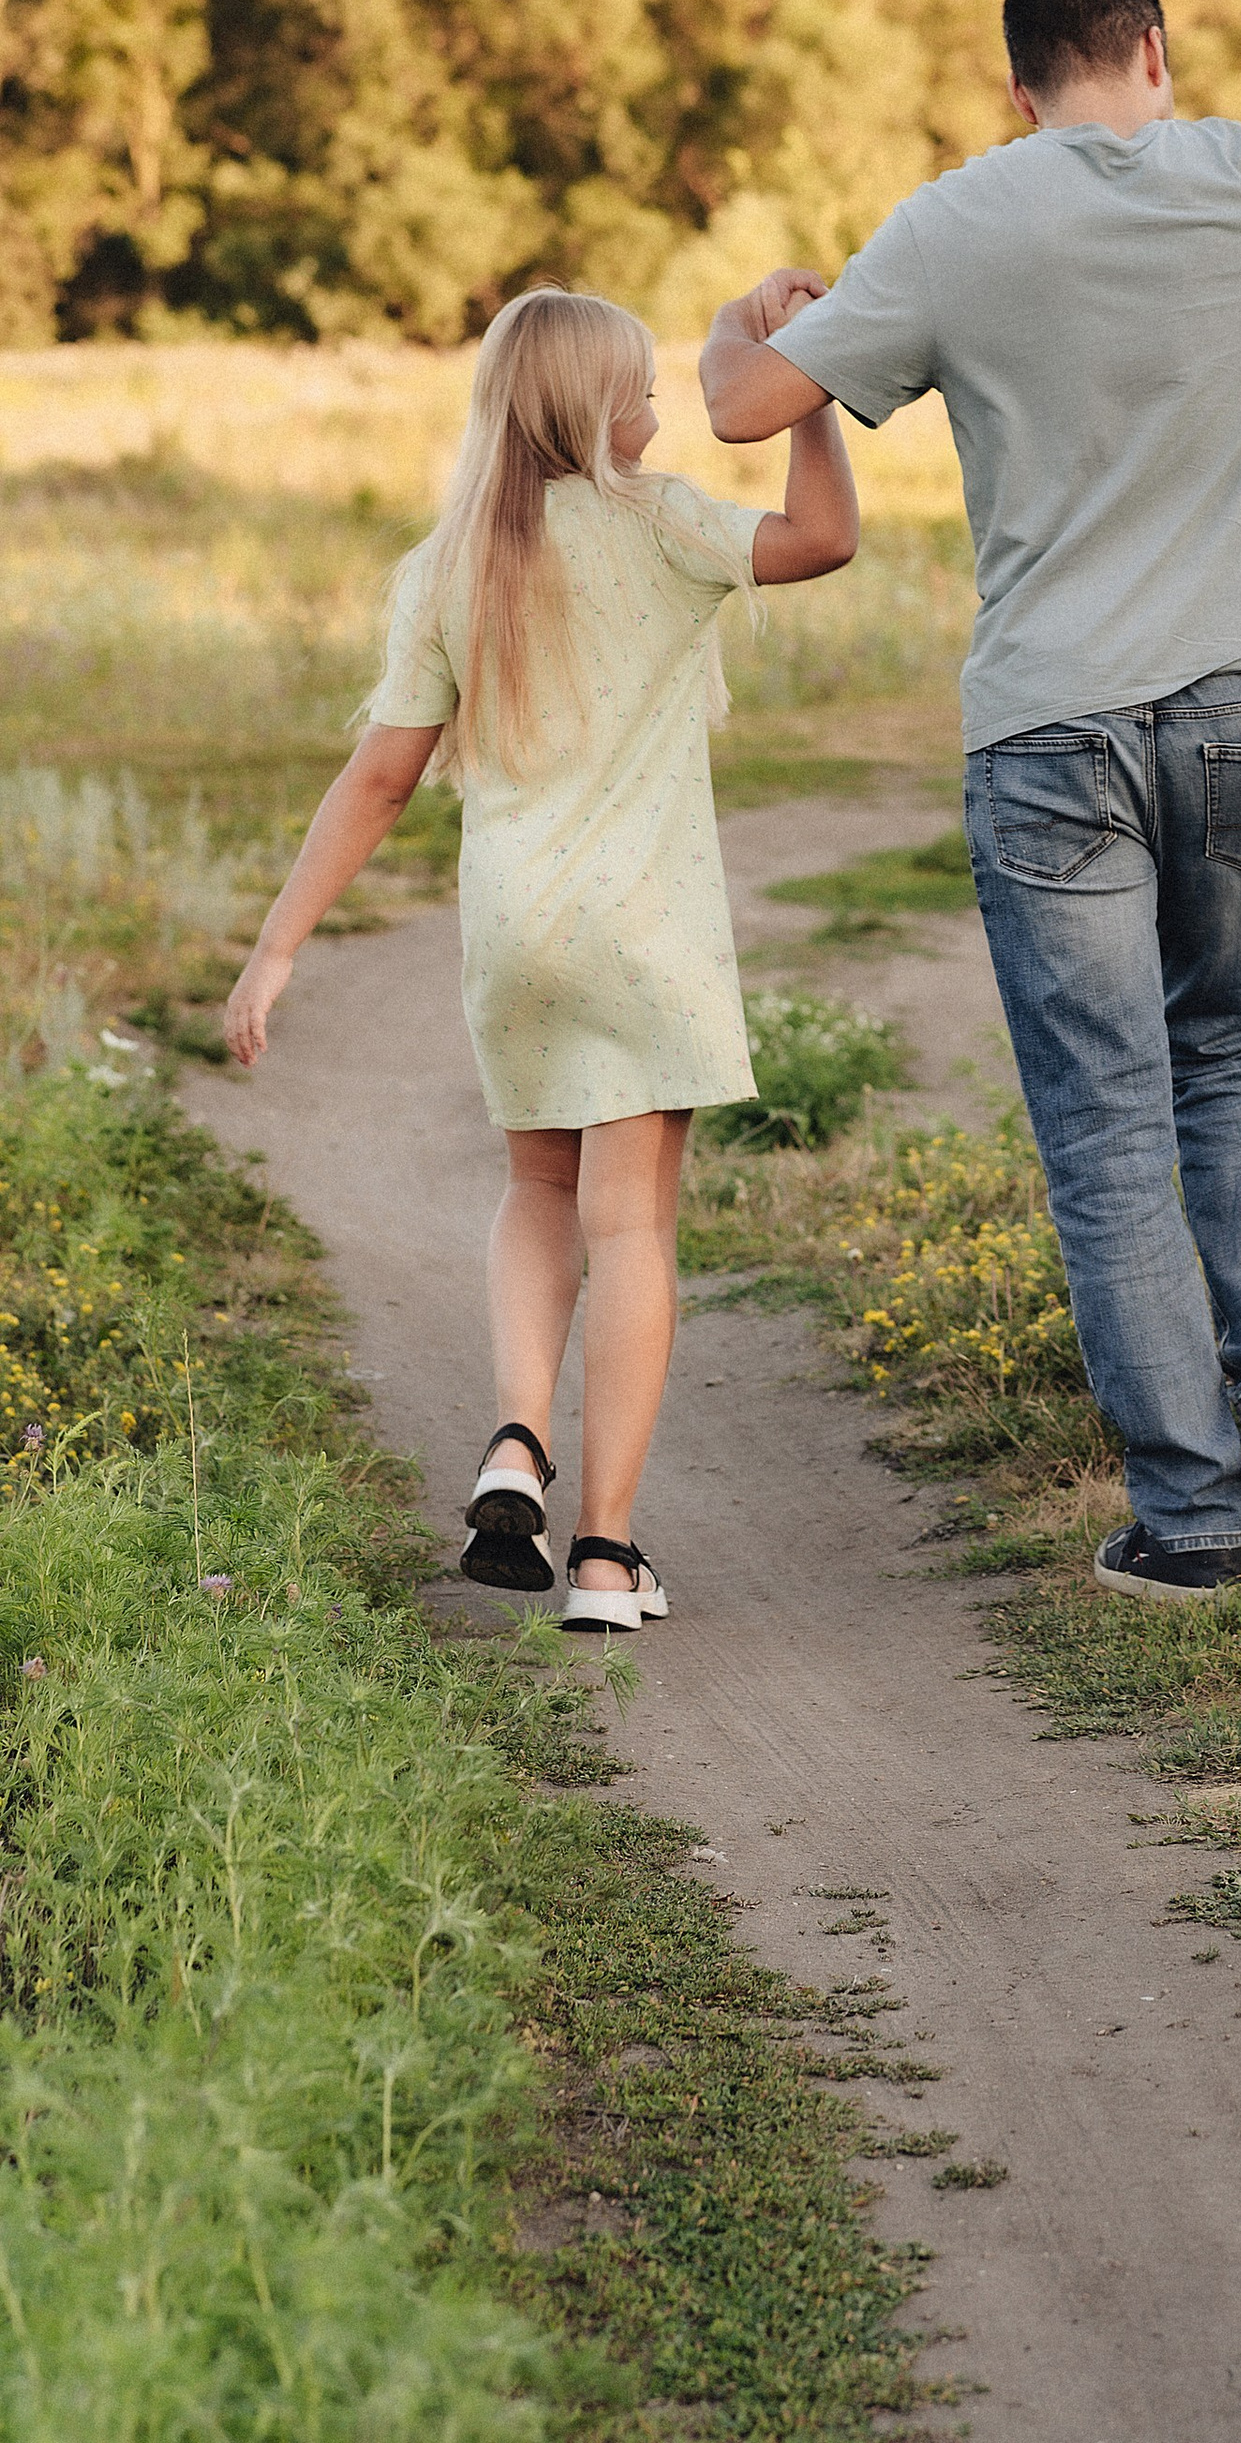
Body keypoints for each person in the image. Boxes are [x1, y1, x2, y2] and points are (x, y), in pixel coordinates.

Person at [699, 0, 1241, 1602]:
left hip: (1049, 726)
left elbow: (745, 409)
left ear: (1016, 87)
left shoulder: (963, 216)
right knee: (1231, 1047)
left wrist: (745, 317)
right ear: (1154, 53)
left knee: (1104, 1128)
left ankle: (1185, 1517)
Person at [224, 288, 857, 1631]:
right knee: (629, 1225)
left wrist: (276, 950)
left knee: (535, 1188)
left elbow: (382, 776)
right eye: (636, 386)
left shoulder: (451, 561)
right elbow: (824, 537)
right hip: (645, 935)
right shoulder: (663, 520)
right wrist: (816, 387)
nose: (655, 406)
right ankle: (610, 1556)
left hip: (514, 935)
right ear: (585, 408)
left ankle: (516, 1436)